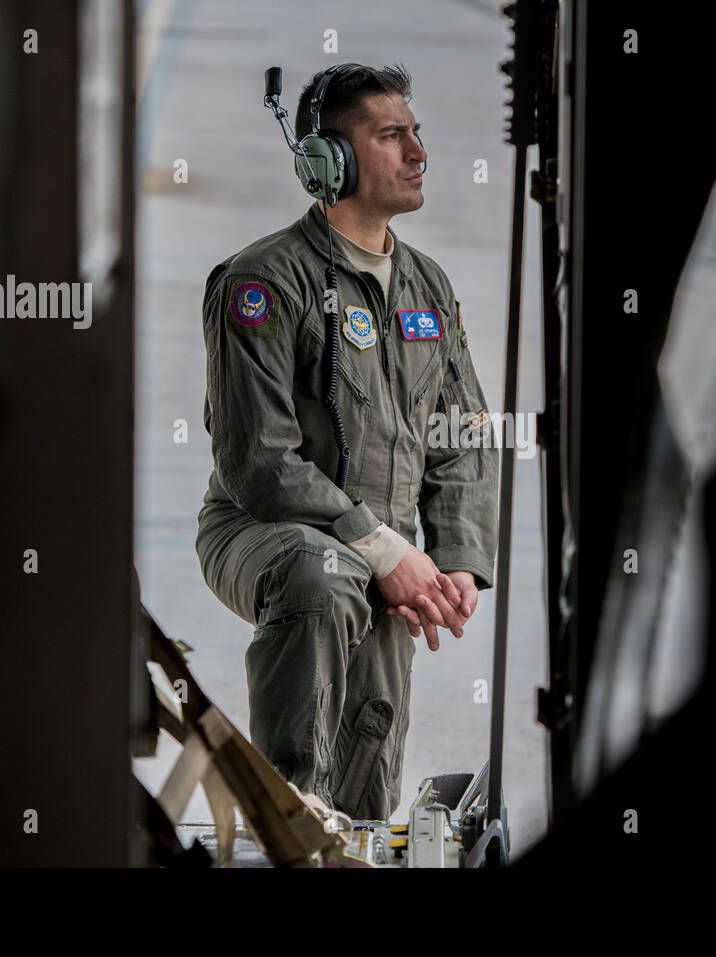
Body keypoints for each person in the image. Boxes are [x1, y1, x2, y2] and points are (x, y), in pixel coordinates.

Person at [194, 63, 499, 823]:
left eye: (416, 132)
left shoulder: (428, 286)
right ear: (326, 161)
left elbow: (460, 435)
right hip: (260, 529)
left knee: (369, 775)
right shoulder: (262, 282)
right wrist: (387, 550)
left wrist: (455, 557)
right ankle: (292, 804)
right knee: (322, 570)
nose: (418, 151)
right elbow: (259, 462)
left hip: (385, 549)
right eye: (391, 135)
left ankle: (347, 826)